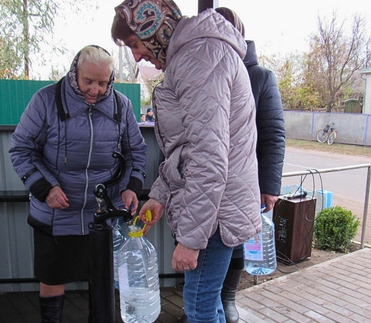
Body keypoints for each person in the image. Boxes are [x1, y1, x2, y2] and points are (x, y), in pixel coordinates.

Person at [111, 1, 262, 322]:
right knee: (208, 304)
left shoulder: (200, 58)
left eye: (135, 44)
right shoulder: (195, 57)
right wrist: (159, 196)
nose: (136, 56)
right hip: (216, 210)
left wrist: (192, 240)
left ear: (154, 29)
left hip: (214, 216)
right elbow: (187, 150)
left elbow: (208, 159)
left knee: (199, 305)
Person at [9, 45, 147, 322]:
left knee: (103, 277)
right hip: (56, 212)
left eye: (102, 82)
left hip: (103, 214)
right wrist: (44, 189)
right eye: (88, 81)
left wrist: (132, 185)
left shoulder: (121, 105)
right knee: (53, 275)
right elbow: (21, 149)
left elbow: (136, 152)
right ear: (75, 73)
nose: (95, 89)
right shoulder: (46, 100)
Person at [213, 7, 286, 323]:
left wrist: (269, 186)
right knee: (202, 242)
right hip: (206, 180)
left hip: (245, 180)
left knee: (237, 242)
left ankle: (227, 298)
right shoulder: (201, 72)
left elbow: (273, 134)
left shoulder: (260, 77)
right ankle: (206, 303)